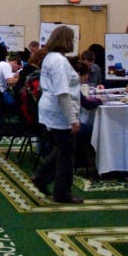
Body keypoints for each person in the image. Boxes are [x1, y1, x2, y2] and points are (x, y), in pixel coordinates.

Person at [32, 25, 83, 204]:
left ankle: (42, 177)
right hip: (59, 111)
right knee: (67, 154)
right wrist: (73, 119)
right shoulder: (60, 62)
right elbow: (63, 93)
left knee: (61, 148)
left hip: (49, 108)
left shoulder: (49, 58)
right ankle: (62, 193)